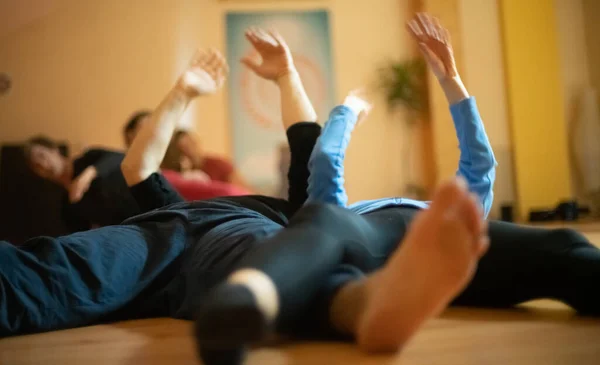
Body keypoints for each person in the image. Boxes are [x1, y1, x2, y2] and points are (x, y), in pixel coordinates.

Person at [193, 15, 600, 363]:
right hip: (377, 236)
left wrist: (448, 80)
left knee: (564, 244)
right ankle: (244, 304)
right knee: (322, 220)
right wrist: (347, 111)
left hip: (438, 242)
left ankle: (254, 297)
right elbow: (324, 161)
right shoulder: (352, 216)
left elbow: (328, 160)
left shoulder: (446, 214)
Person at [123, 111, 252, 199]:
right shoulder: (165, 174)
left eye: (191, 144)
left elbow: (244, 192)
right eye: (182, 148)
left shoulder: (218, 165)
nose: (153, 134)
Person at [23, 136, 138, 232]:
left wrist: (88, 175)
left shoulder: (88, 158)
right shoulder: (67, 205)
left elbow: (120, 157)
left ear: (54, 150)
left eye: (42, 156)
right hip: (135, 229)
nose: (43, 165)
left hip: (146, 199)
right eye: (37, 166)